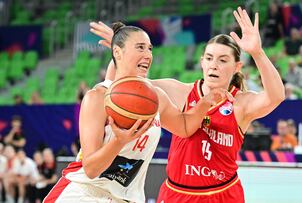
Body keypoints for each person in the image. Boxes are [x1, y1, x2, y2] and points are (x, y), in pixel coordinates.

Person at [91, 6, 285, 203]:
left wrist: (257, 52)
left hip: (222, 194)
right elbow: (124, 87)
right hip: (177, 193)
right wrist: (121, 51)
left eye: (222, 60)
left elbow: (276, 96)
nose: (214, 65)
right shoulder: (181, 91)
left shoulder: (240, 103)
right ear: (202, 62)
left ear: (236, 67)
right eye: (209, 58)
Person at [44, 22, 231, 203]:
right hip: (84, 193)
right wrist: (119, 141)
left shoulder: (156, 97)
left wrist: (205, 102)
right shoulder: (98, 97)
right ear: (117, 52)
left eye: (150, 48)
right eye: (140, 47)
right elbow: (91, 169)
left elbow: (184, 127)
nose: (148, 54)